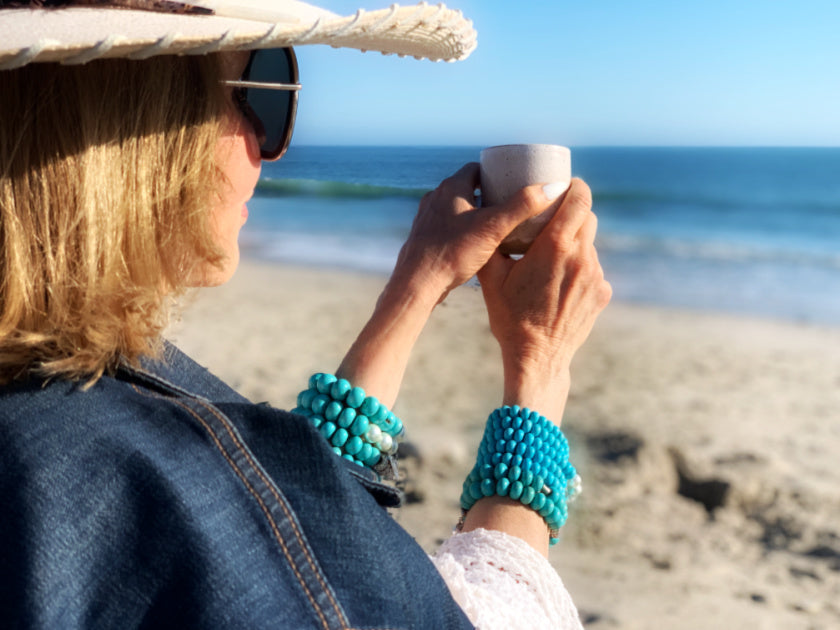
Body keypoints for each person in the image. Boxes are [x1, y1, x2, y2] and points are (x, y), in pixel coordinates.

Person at [0, 1, 611, 628]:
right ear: (140, 121)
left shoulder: (55, 400)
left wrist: (416, 286)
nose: (274, 151)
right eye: (259, 96)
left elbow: (292, 515)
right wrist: (540, 367)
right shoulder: (140, 487)